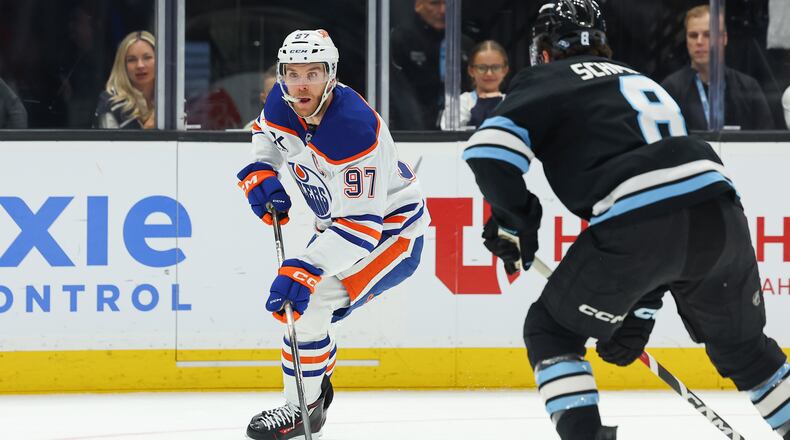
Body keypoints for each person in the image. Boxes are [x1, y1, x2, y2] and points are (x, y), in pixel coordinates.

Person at [463, 1, 789, 439]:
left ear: (542, 51)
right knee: (748, 352)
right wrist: (641, 311)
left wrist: (516, 221)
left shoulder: (545, 79)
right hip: (721, 214)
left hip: (641, 223)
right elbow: (675, 213)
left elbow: (488, 151)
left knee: (551, 332)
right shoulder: (644, 80)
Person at [237, 29, 429, 440]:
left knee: (310, 302)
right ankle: (312, 392)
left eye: (313, 72)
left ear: (331, 75)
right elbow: (265, 134)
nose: (301, 83)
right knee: (307, 310)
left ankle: (302, 405)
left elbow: (362, 228)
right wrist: (262, 169)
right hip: (339, 226)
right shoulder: (284, 99)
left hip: (391, 234)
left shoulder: (353, 129)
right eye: (291, 72)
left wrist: (305, 266)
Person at [661, 5, 774, 130]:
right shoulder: (671, 88)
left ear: (724, 38)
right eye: (693, 35)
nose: (699, 41)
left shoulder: (748, 86)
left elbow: (766, 139)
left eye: (708, 35)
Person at [390, 0, 472, 130]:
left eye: (447, 4)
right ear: (418, 5)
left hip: (457, 124)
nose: (443, 10)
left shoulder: (465, 44)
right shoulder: (400, 39)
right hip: (409, 126)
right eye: (434, 3)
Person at [440, 40, 509, 130]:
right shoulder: (459, 104)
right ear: (471, 71)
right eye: (482, 68)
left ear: (505, 70)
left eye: (495, 67)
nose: (489, 73)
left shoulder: (512, 102)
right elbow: (450, 139)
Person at [93, 31, 156, 129]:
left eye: (147, 58)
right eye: (132, 60)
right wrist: (147, 130)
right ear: (122, 66)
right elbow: (110, 144)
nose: (140, 65)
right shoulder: (110, 103)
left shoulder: (172, 101)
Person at [244, 65, 278, 130]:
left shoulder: (302, 130)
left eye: (284, 91)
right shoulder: (251, 130)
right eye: (273, 92)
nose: (279, 96)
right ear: (264, 98)